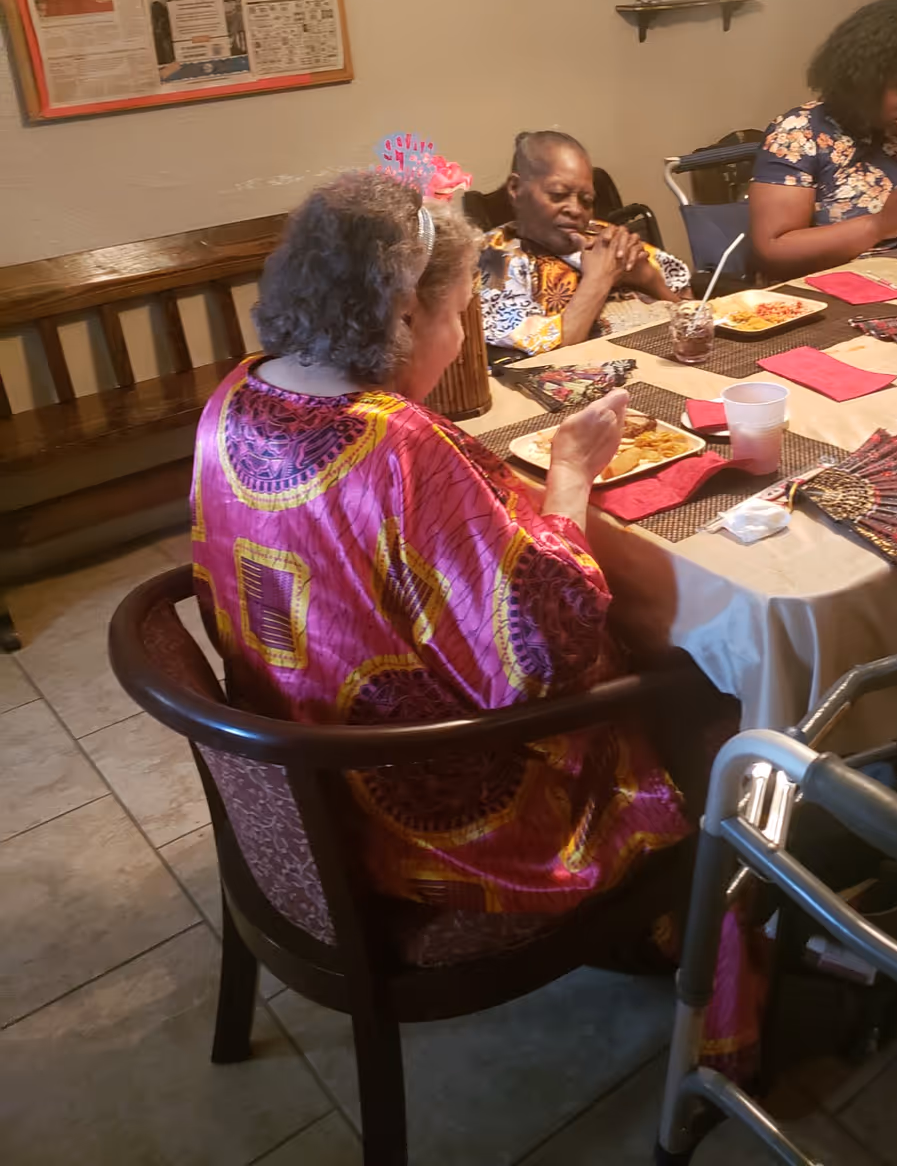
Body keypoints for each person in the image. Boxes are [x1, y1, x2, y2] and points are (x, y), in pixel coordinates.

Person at [190, 170, 757, 1067]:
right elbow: (549, 644)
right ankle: (699, 936)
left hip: (304, 769)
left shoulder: (237, 396)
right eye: (455, 314)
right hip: (429, 819)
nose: (458, 339)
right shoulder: (395, 442)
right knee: (708, 688)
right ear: (406, 314)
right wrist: (571, 471)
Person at [749, 0, 897, 280]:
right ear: (864, 78)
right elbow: (773, 251)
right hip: (826, 295)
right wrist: (878, 225)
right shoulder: (798, 133)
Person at [480, 130, 691, 355]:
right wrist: (599, 278)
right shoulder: (493, 260)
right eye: (558, 194)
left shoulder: (603, 235)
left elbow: (691, 312)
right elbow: (545, 361)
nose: (576, 210)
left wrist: (649, 279)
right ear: (515, 188)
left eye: (586, 200)